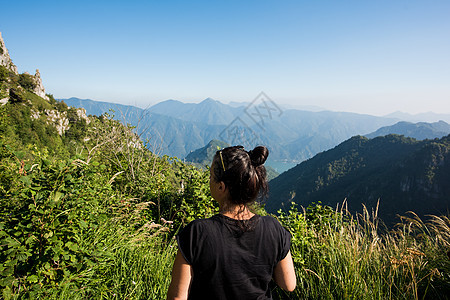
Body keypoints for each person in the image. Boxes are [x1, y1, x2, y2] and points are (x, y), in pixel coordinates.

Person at [167, 145, 296, 299]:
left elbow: (177, 297)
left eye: (210, 177)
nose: (209, 181)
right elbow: (288, 284)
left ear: (221, 186)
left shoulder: (197, 232)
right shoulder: (273, 228)